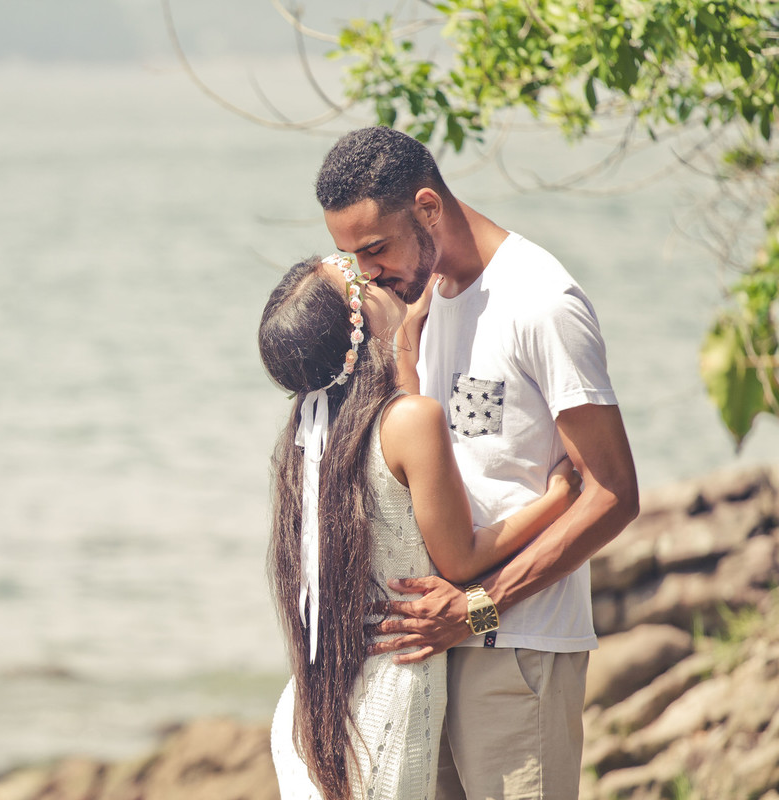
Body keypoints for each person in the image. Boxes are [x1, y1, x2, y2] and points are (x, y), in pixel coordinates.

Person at [315, 126, 640, 799]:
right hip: (429, 654)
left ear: (428, 208)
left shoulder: (540, 302)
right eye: (353, 257)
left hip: (517, 652)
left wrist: (478, 608)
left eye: (375, 248)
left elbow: (612, 494)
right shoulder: (422, 307)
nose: (367, 272)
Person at [259, 254, 581, 800]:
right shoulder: (412, 419)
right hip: (395, 692)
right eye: (357, 278)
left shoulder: (309, 435)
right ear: (354, 325)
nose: (371, 272)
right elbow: (461, 559)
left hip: (318, 703)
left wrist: (405, 332)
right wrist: (559, 498)